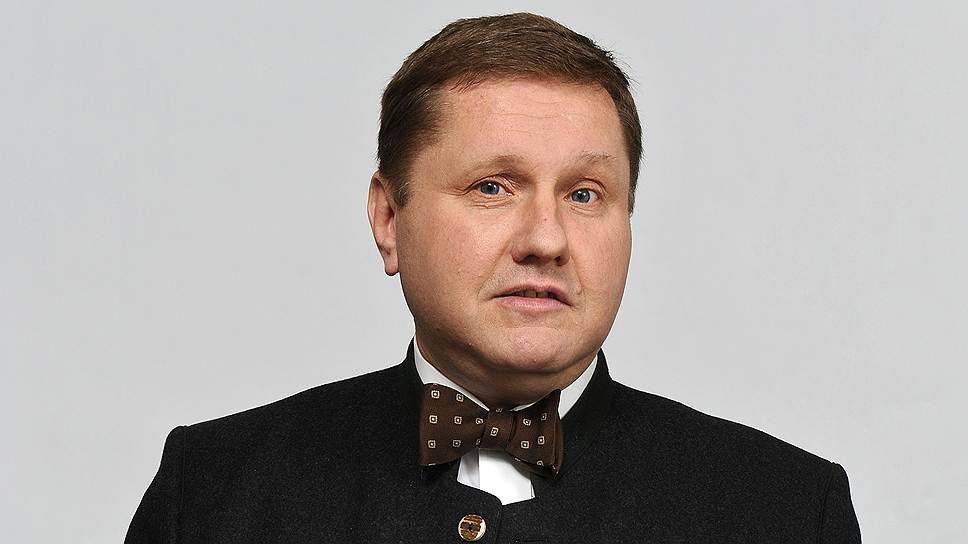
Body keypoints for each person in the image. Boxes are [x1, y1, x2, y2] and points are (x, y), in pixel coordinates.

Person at [125, 12, 861, 543]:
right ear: (388, 218)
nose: (546, 240)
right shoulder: (216, 492)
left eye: (584, 195)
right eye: (492, 187)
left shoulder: (788, 512)